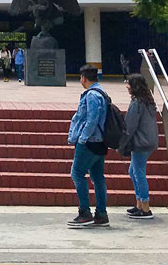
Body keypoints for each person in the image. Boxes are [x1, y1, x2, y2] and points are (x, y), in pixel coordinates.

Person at [67, 64, 109, 228]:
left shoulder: (91, 95)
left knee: (77, 173)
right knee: (98, 178)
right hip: (100, 142)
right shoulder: (102, 92)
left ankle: (84, 212)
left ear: (84, 78)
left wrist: (82, 139)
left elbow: (91, 119)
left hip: (90, 142)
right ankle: (101, 213)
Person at [120, 73, 159, 220]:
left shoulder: (137, 103)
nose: (127, 86)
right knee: (133, 171)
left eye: (128, 83)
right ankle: (139, 204)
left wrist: (122, 142)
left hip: (140, 143)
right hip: (148, 141)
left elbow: (129, 125)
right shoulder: (148, 101)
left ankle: (145, 207)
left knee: (138, 173)